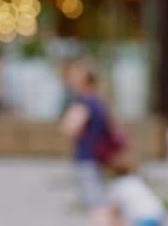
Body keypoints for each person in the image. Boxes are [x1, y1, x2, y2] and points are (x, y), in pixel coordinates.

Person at [59, 58, 117, 226]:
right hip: (98, 159)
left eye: (75, 74)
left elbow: (69, 128)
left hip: (87, 159)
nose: (71, 78)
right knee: (100, 202)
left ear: (84, 79)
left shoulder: (85, 102)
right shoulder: (98, 101)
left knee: (96, 206)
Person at [107, 156, 166, 226]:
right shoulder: (135, 180)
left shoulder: (117, 185)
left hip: (142, 217)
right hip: (158, 213)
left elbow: (114, 211)